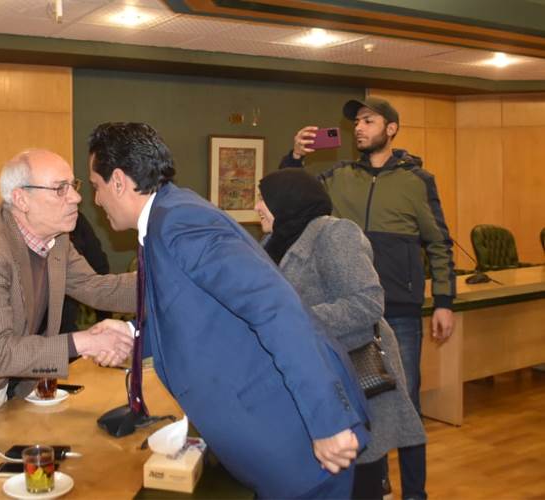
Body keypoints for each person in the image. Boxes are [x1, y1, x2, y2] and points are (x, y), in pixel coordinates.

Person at [87, 122, 369, 499]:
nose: (96, 200)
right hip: (272, 438)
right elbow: (194, 316)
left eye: (96, 186)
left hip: (296, 441)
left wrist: (328, 420)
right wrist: (131, 335)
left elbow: (276, 309)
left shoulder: (179, 223)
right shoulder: (166, 218)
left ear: (119, 181)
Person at [281, 97, 456, 499]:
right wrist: (295, 158)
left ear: (391, 128)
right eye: (356, 122)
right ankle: (377, 483)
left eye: (368, 120)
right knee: (360, 402)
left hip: (400, 310)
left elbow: (439, 242)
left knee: (404, 404)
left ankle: (415, 493)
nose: (358, 127)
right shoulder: (338, 176)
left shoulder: (418, 181)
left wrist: (444, 301)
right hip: (353, 313)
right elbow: (290, 199)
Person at [0, 149, 137, 452]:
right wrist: (84, 342)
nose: (76, 198)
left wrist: (166, 280)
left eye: (73, 185)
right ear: (21, 199)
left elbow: (96, 288)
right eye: (59, 189)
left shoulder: (55, 240)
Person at [256, 169, 426, 499]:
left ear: (287, 201)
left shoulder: (334, 234)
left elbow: (367, 303)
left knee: (359, 478)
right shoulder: (273, 243)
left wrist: (294, 320)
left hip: (350, 379)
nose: (257, 207)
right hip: (315, 382)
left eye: (264, 198)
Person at [60, 211, 111, 333]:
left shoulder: (75, 219)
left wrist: (104, 320)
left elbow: (98, 267)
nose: (75, 200)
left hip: (66, 325)